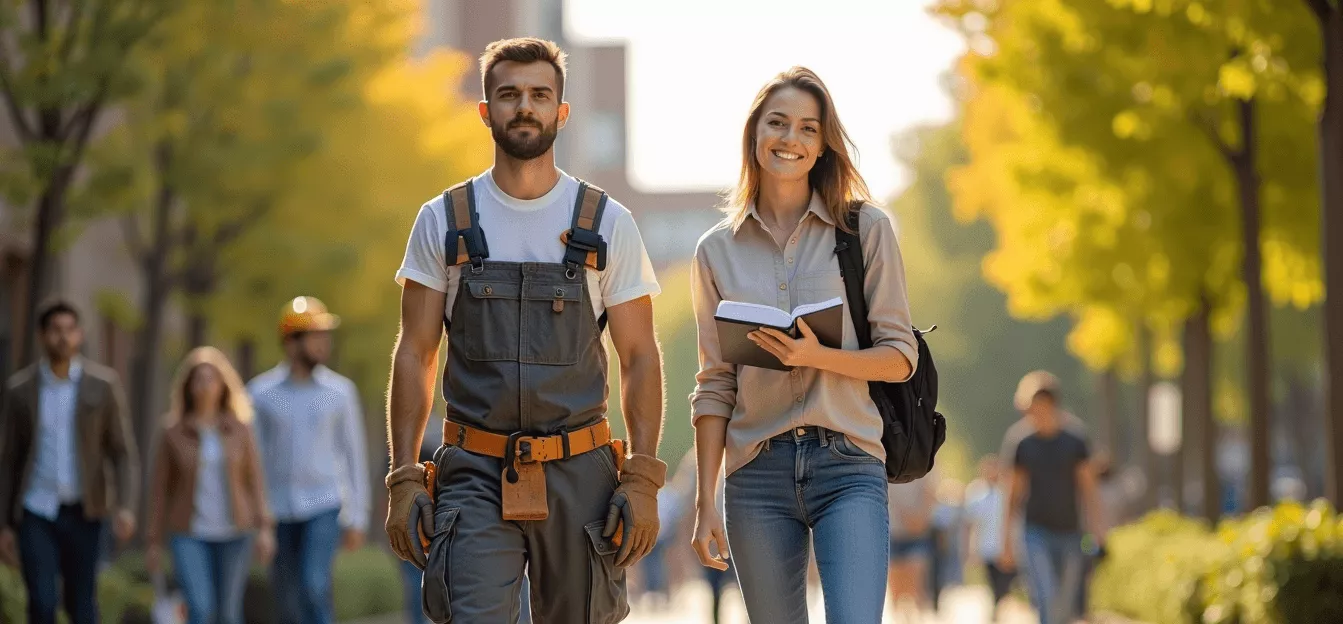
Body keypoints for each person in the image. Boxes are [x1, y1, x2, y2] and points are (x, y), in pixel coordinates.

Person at [383, 37, 667, 624]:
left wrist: (642, 476)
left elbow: (640, 356)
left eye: (540, 95)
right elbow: (415, 352)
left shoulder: (607, 222)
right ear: (485, 110)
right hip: (474, 471)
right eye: (508, 94)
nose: (524, 107)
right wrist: (404, 476)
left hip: (581, 471)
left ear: (562, 111)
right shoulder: (444, 220)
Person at [689, 66, 919, 624]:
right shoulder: (715, 251)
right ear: (755, 134)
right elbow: (715, 383)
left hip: (848, 462)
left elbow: (900, 357)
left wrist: (815, 357)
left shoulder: (865, 231)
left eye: (808, 129)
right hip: (756, 474)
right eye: (779, 123)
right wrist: (704, 502)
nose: (791, 139)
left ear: (822, 146)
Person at [0, 299, 139, 624]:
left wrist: (126, 506)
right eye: (55, 330)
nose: (62, 337)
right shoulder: (21, 391)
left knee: (81, 602)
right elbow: (8, 461)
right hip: (36, 509)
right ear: (42, 335)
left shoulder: (102, 386)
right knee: (42, 601)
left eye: (69, 330)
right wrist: (4, 523)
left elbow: (121, 451)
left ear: (80, 334)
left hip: (86, 510)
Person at [248, 296, 369, 624]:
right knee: (285, 599)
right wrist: (256, 517)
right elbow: (252, 459)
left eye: (325, 335)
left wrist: (358, 517)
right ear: (290, 343)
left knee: (314, 584)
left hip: (324, 505)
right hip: (277, 510)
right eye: (315, 336)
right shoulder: (260, 394)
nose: (323, 343)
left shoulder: (340, 392)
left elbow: (354, 456)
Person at [145, 346, 276, 624]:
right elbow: (159, 491)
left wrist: (265, 527)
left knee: (228, 613)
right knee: (200, 607)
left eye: (211, 379)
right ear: (188, 386)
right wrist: (153, 541)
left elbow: (255, 482)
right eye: (198, 379)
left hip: (235, 533)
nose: (205, 386)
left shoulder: (240, 429)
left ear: (223, 385)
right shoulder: (173, 432)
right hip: (189, 533)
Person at [1000, 371, 1107, 624]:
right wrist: (1005, 540)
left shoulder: (1075, 440)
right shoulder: (1021, 443)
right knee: (1047, 595)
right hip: (1035, 532)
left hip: (1071, 532)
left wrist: (1098, 531)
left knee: (1066, 602)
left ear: (1053, 404)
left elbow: (1089, 490)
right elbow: (1012, 494)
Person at [963, 454, 1015, 622]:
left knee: (1005, 582)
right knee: (993, 581)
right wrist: (970, 549)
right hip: (986, 547)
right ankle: (996, 609)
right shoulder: (976, 493)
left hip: (1004, 547)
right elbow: (971, 523)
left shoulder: (1006, 492)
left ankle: (998, 606)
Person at [887, 477, 936, 620]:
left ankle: (917, 619)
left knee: (916, 586)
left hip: (918, 534)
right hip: (894, 533)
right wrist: (906, 517)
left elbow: (930, 494)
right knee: (896, 589)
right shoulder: (885, 461)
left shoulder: (926, 462)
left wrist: (921, 519)